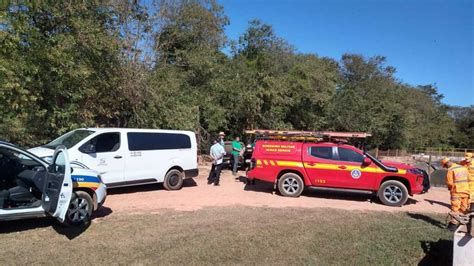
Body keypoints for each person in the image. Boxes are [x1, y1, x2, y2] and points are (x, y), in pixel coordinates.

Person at [441, 157, 470, 231]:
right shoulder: (463, 167)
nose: (446, 167)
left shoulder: (451, 170)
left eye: (445, 166)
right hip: (466, 190)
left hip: (456, 191)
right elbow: (468, 178)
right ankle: (462, 224)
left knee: (455, 208)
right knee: (464, 208)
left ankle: (452, 226)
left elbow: (450, 183)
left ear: (447, 163)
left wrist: (450, 189)